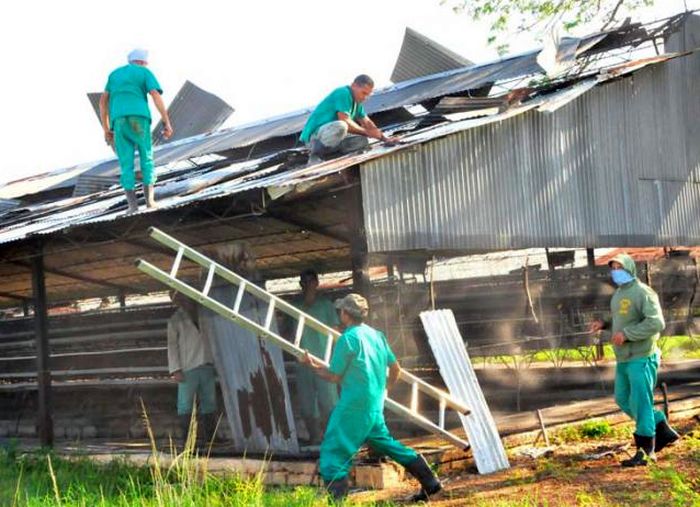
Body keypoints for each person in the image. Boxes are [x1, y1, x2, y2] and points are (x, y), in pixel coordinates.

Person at [300, 293, 441, 501]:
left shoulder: (348, 339)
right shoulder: (377, 336)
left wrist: (312, 365)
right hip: (374, 404)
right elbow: (396, 369)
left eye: (341, 311)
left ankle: (337, 502)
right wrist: (385, 390)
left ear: (346, 314)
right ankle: (430, 482)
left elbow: (334, 375)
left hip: (354, 405)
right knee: (386, 444)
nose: (340, 314)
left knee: (334, 449)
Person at [588, 253, 679, 466]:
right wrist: (604, 323)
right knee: (622, 397)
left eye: (619, 267)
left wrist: (627, 334)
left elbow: (656, 323)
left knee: (641, 402)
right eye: (613, 268)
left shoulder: (644, 293)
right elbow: (620, 318)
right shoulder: (619, 294)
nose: (615, 272)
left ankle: (646, 452)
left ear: (630, 268)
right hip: (624, 357)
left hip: (642, 356)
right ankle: (658, 423)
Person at [99, 48, 173, 213]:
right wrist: (166, 121)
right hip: (139, 118)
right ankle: (150, 202)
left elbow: (103, 102)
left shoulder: (114, 75)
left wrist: (105, 129)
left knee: (126, 163)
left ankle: (132, 206)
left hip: (118, 121)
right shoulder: (144, 72)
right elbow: (155, 95)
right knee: (146, 156)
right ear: (143, 62)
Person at [299, 75, 398, 163]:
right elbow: (345, 120)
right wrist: (367, 132)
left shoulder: (357, 102)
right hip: (315, 138)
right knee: (341, 126)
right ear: (354, 86)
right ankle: (315, 156)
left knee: (362, 141)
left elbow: (367, 122)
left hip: (333, 139)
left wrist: (385, 139)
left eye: (368, 95)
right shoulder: (343, 93)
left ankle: (331, 155)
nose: (365, 97)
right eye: (363, 93)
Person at [292, 269, 341, 444]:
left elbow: (335, 332)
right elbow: (289, 332)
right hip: (303, 361)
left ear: (317, 283)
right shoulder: (295, 305)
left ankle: (332, 437)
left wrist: (338, 359)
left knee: (329, 402)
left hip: (324, 361)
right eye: (304, 282)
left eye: (311, 281)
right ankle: (314, 437)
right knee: (307, 405)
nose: (308, 285)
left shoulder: (326, 305)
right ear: (301, 285)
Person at [167, 291, 217, 449]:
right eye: (179, 299)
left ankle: (210, 439)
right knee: (185, 405)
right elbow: (172, 346)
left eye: (184, 296)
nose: (183, 301)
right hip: (187, 367)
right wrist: (175, 369)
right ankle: (188, 442)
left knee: (209, 403)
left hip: (206, 363)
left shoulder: (205, 315)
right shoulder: (175, 320)